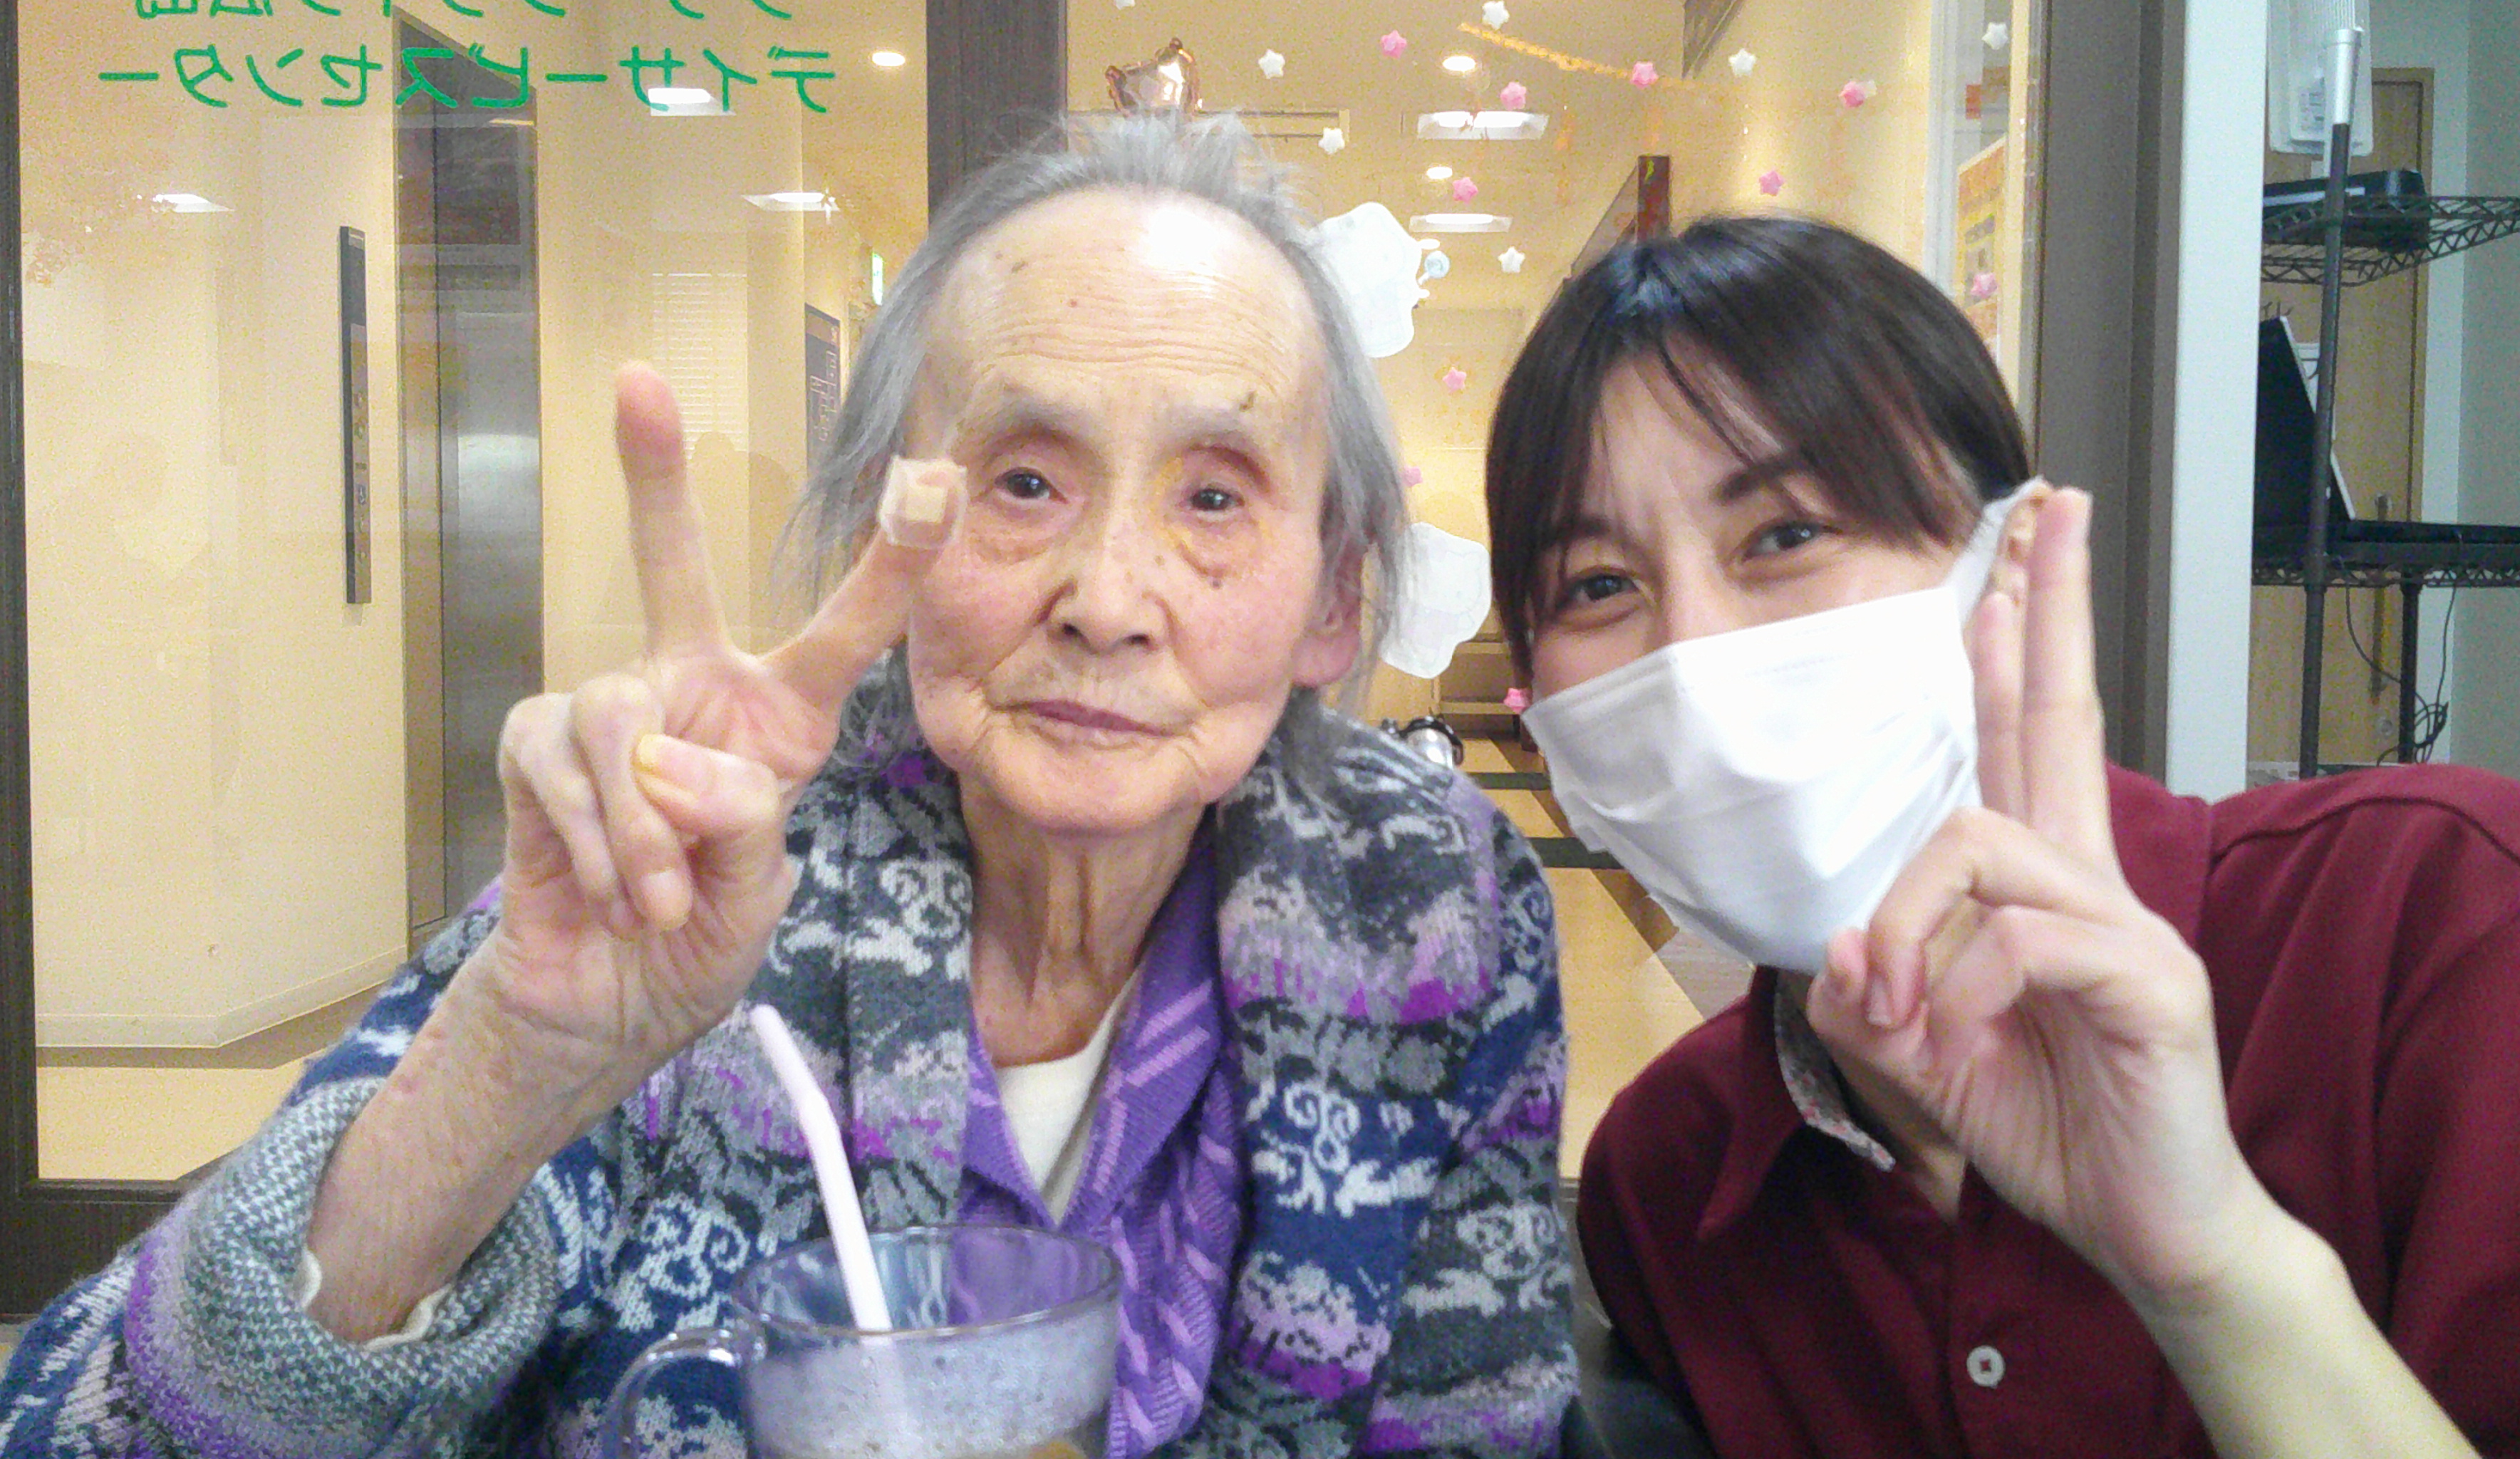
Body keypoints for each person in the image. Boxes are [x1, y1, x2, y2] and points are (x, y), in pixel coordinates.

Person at [0, 115, 1572, 1458]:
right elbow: (80, 1427)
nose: (1107, 599)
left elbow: (1478, 1422)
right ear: (892, 531)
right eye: (1025, 480)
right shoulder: (704, 858)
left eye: (1214, 496)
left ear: (1335, 599)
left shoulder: (1428, 902)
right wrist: (512, 1064)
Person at [1485, 214, 2520, 1457]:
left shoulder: (2453, 925)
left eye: (1788, 533)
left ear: (2004, 556)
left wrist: (2217, 1265)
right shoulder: (1665, 1182)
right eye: (1598, 586)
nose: (1695, 653)